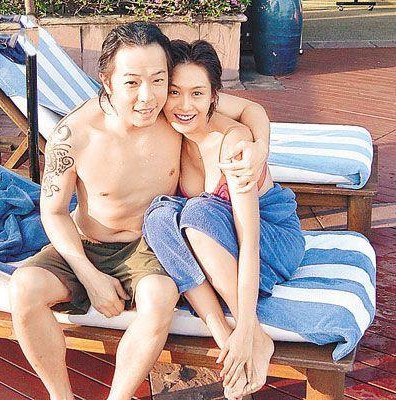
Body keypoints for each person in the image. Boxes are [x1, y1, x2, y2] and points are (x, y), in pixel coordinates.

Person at [8, 22, 271, 400]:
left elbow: (249, 108)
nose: (147, 97)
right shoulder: (74, 134)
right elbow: (54, 212)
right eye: (132, 83)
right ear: (107, 81)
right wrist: (89, 276)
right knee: (23, 288)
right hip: (86, 245)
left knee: (160, 296)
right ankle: (60, 395)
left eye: (158, 80)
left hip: (149, 247)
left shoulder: (173, 110)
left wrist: (260, 147)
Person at [143, 40, 306, 399]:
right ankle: (222, 335)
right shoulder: (165, 127)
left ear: (214, 96)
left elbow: (249, 241)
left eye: (197, 94)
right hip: (214, 241)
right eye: (174, 92)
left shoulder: (234, 143)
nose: (185, 105)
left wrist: (246, 326)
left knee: (198, 211)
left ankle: (253, 335)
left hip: (270, 239)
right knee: (158, 215)